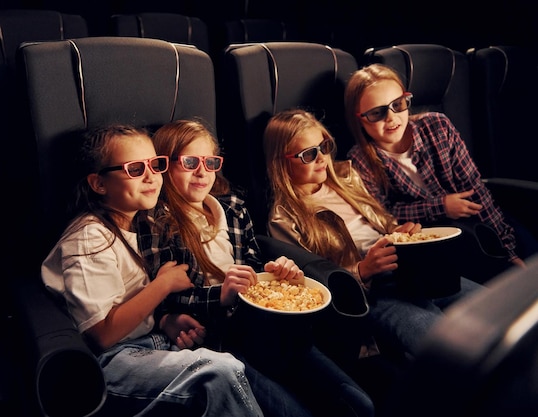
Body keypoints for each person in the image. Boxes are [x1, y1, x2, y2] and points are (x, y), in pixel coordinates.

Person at [139, 118, 375, 417]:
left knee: (359, 405)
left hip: (269, 330)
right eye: (189, 162)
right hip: (222, 341)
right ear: (165, 165)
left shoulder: (234, 209)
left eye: (210, 162)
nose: (202, 172)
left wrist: (276, 273)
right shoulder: (156, 222)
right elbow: (167, 296)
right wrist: (221, 295)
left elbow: (252, 265)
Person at [40, 124, 265, 416]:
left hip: (154, 342)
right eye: (135, 169)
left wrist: (165, 321)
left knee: (235, 359)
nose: (151, 177)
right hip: (111, 360)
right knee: (220, 371)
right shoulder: (89, 237)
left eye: (155, 165)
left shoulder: (143, 224)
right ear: (99, 184)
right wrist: (163, 285)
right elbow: (101, 334)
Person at [263, 108, 484, 364]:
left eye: (324, 146)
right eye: (308, 154)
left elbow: (383, 221)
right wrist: (362, 270)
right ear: (282, 161)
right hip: (373, 292)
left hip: (408, 269)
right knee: (449, 346)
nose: (322, 158)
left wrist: (399, 233)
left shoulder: (346, 177)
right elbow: (309, 283)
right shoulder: (284, 217)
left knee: (495, 310)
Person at [344, 63, 537, 278]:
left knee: (526, 258)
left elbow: (476, 191)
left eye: (398, 105)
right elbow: (382, 216)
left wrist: (508, 250)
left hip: (484, 225)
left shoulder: (437, 126)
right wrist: (441, 206)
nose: (391, 118)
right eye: (377, 113)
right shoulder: (360, 160)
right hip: (434, 243)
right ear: (360, 118)